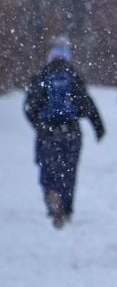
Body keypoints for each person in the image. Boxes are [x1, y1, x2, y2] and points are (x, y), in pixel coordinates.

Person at [22, 36, 105, 229]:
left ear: (50, 57)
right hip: (71, 133)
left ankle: (52, 197)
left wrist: (39, 124)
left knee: (47, 170)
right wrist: (98, 127)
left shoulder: (42, 75)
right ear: (68, 57)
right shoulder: (73, 75)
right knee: (69, 172)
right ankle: (66, 209)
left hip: (47, 134)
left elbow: (29, 107)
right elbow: (87, 105)